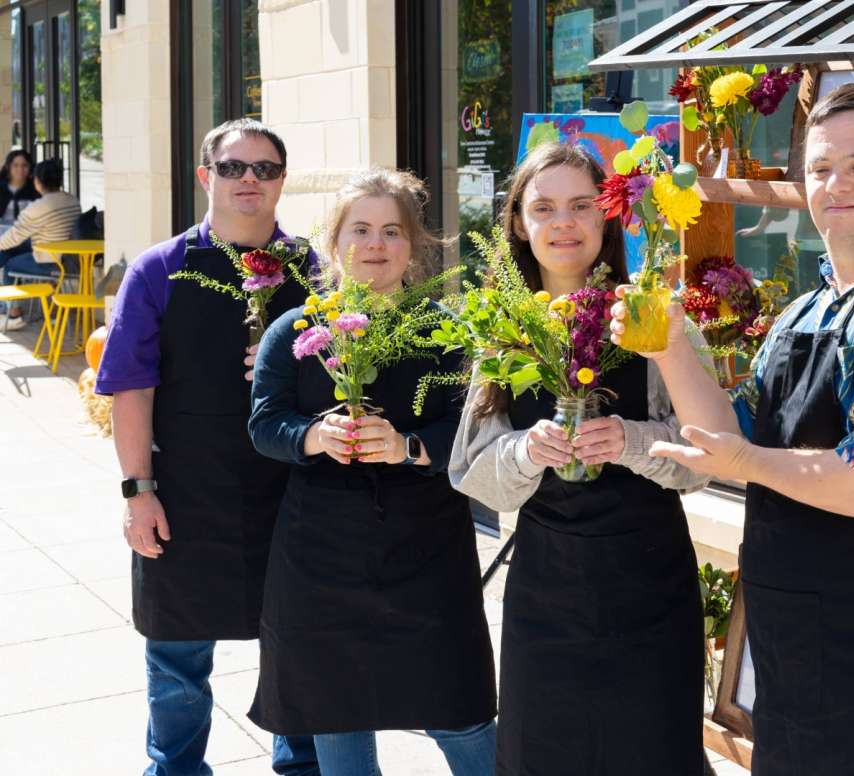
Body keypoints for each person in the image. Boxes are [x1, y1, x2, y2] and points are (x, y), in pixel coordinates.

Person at [612, 81, 854, 776]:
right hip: (811, 652)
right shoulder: (809, 310)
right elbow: (727, 432)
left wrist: (745, 461)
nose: (836, 185)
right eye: (821, 168)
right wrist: (670, 348)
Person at [449, 142, 710, 776]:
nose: (563, 222)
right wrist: (525, 450)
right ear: (518, 223)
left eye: (582, 205)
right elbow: (473, 473)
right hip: (549, 592)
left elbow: (703, 460)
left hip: (650, 586)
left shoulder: (656, 317)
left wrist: (633, 442)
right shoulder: (501, 329)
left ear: (607, 217)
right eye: (543, 207)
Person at [248, 167, 498, 776]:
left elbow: (469, 432)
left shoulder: (448, 331)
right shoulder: (297, 328)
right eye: (360, 229)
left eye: (392, 230)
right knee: (338, 713)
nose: (376, 244)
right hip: (321, 553)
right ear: (335, 242)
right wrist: (313, 435)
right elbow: (264, 423)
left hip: (425, 551)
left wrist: (408, 447)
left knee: (455, 710)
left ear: (413, 245)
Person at [95, 118, 319, 776]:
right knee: (177, 660)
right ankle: (176, 769)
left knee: (297, 647)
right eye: (233, 167)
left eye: (265, 168)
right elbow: (130, 389)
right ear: (205, 177)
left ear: (281, 180)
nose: (249, 179)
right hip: (185, 495)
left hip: (291, 496)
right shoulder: (159, 270)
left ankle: (301, 767)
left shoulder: (311, 269)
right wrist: (138, 493)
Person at [0, 157, 81, 330]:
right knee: (9, 251)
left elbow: (13, 236)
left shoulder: (39, 207)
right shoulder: (71, 200)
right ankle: (6, 302)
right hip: (66, 257)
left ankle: (13, 314)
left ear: (37, 181)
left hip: (50, 262)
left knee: (9, 263)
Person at [0, 149, 40, 228]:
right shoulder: (1, 188)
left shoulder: (36, 188)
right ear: (8, 167)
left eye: (24, 165)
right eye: (15, 165)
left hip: (30, 234)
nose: (20, 169)